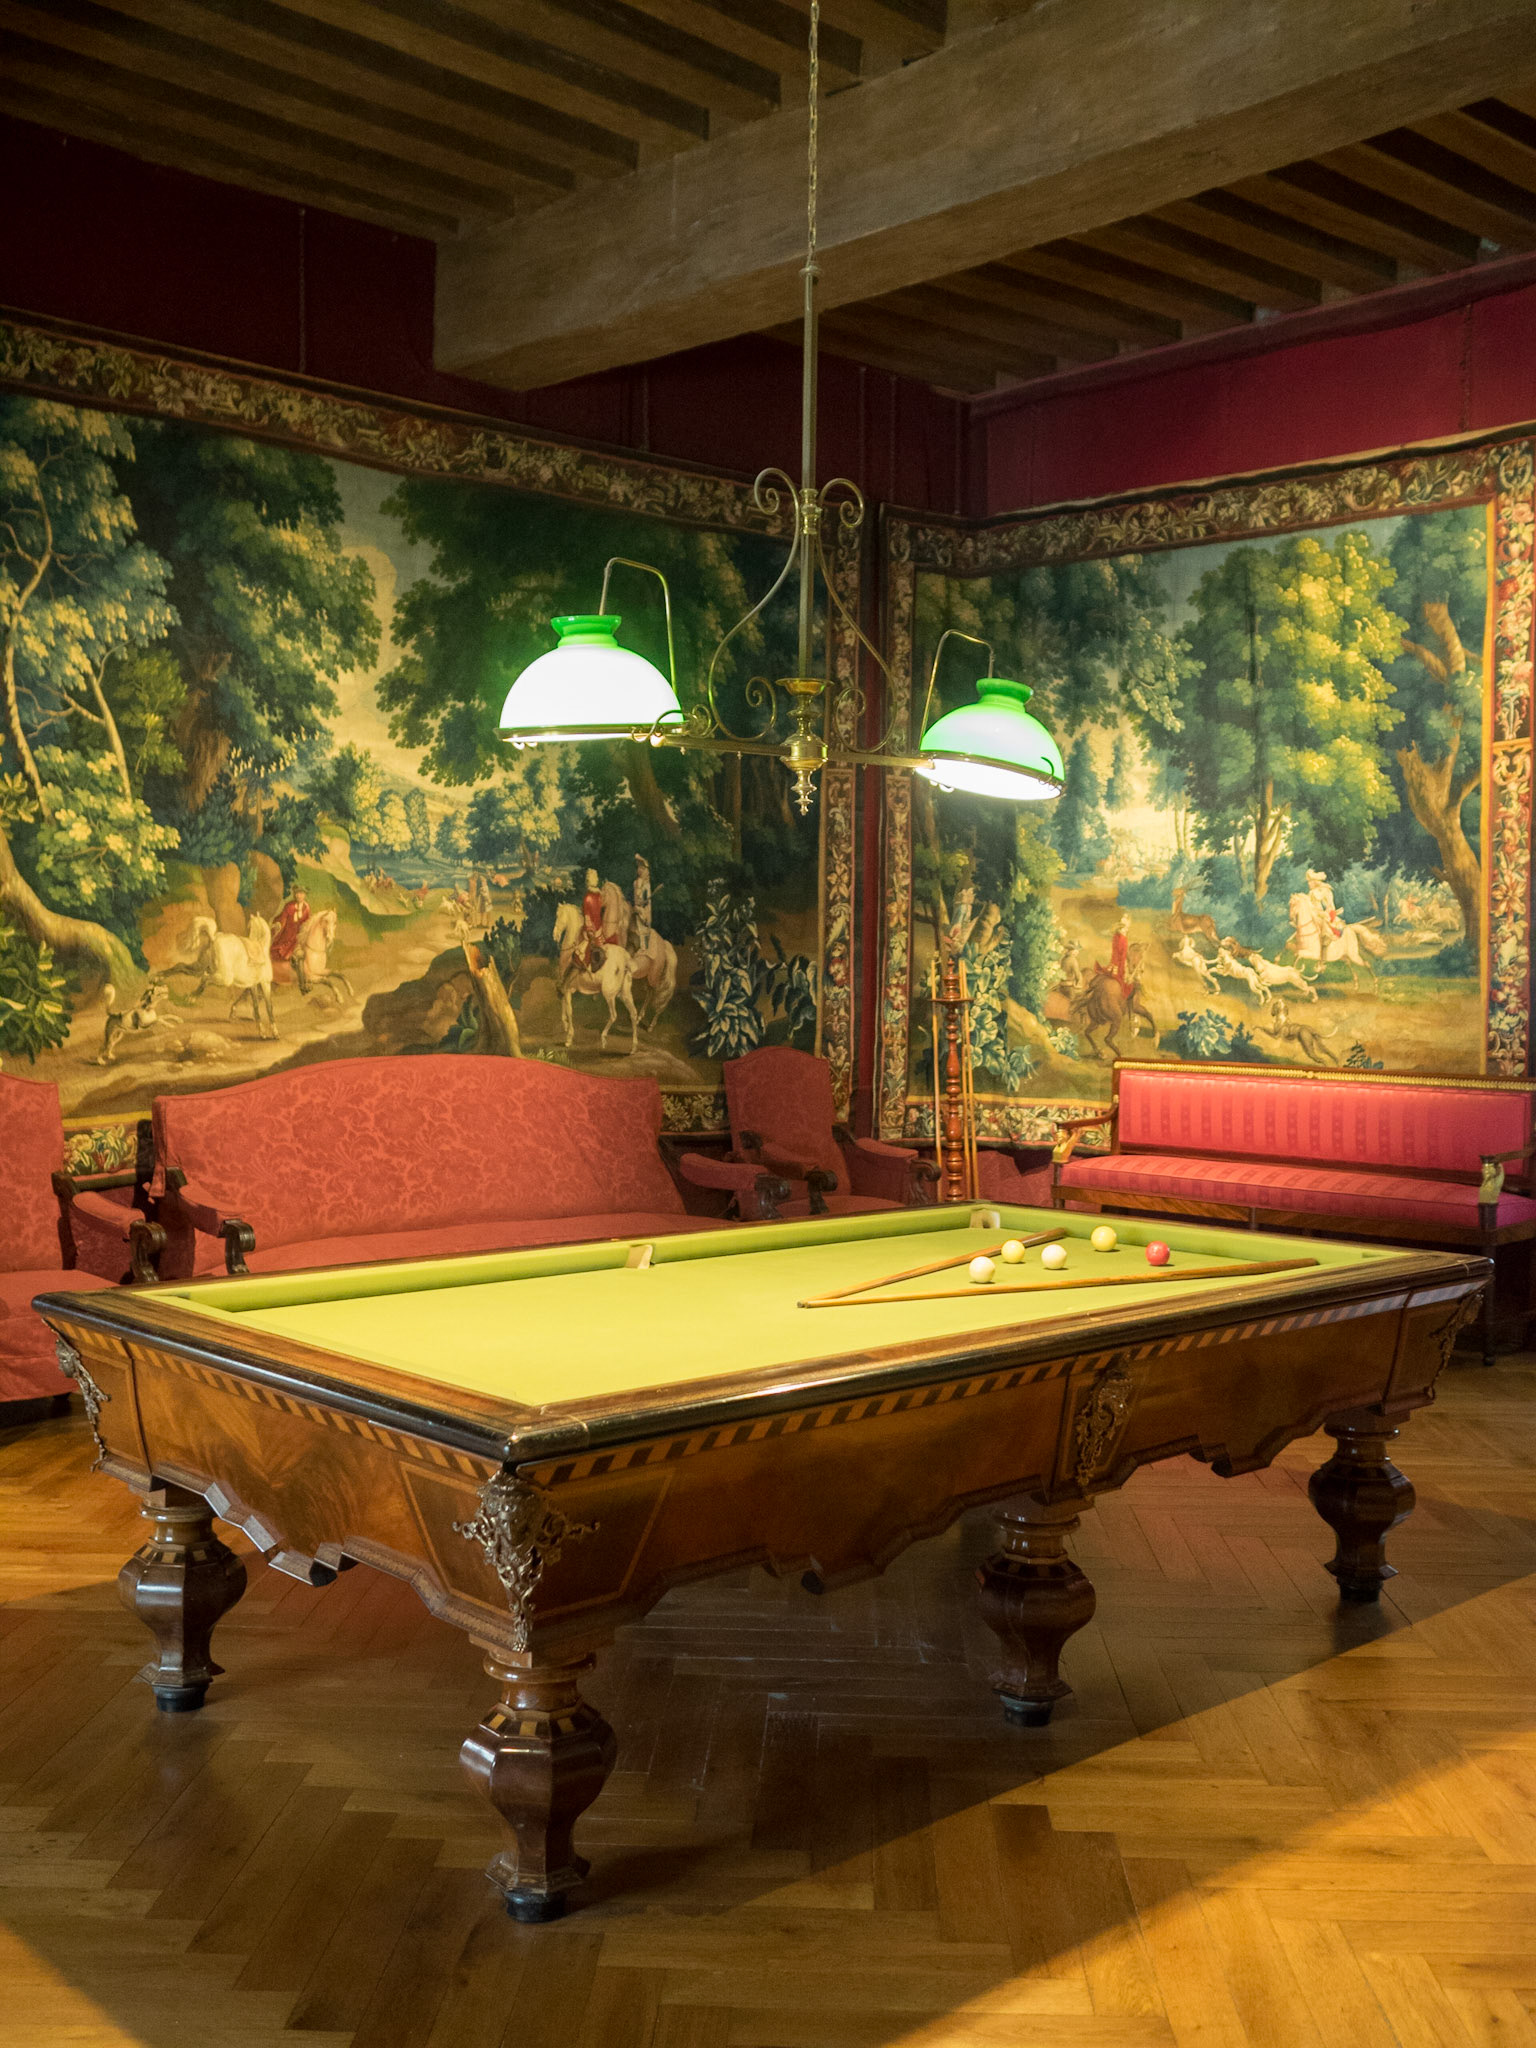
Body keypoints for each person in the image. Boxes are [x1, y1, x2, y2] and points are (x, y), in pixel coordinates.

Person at [269, 883, 311, 964]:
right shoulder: (289, 906)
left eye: (301, 893)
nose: (299, 896)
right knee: (278, 953)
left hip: (299, 937)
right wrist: (278, 925)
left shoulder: (307, 908)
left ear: (305, 895)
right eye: (297, 893)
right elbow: (283, 920)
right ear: (295, 894)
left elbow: (307, 923)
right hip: (287, 936)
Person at [1097, 911, 1133, 993]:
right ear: (1120, 928)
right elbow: (1118, 953)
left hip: (1118, 962)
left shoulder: (1118, 937)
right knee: (1124, 984)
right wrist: (1118, 966)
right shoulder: (1121, 938)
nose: (1125, 930)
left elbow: (1122, 953)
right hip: (1118, 963)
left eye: (1126, 929)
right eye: (1123, 928)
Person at [581, 867, 608, 971]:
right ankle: (586, 965)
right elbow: (587, 916)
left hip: (601, 926)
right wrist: (590, 930)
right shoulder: (588, 897)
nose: (596, 879)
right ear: (589, 880)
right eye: (594, 877)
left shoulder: (600, 895)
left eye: (596, 877)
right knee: (590, 947)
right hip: (592, 928)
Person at [1306, 869, 1342, 941]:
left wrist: (1323, 913)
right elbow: (1310, 905)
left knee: (1326, 922)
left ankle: (1331, 936)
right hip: (1316, 914)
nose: (1309, 884)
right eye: (1308, 882)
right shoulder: (1311, 893)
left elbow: (1328, 905)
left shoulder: (1326, 890)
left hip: (1329, 913)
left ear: (1315, 882)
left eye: (1310, 882)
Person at [631, 853, 654, 954]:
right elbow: (635, 897)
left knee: (644, 927)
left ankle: (644, 948)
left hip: (644, 909)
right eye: (639, 868)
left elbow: (647, 900)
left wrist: (643, 904)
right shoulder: (636, 883)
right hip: (636, 907)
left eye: (642, 868)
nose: (640, 870)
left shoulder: (647, 885)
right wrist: (637, 904)